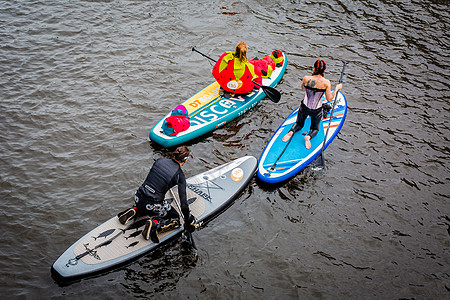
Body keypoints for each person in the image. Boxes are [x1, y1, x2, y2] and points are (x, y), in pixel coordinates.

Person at [117, 145, 196, 243]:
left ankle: (136, 209)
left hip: (138, 196)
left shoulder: (159, 161)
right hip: (152, 205)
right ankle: (155, 224)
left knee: (147, 202)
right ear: (186, 160)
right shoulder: (180, 175)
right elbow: (183, 205)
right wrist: (188, 220)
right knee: (175, 218)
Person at [282, 59, 343, 149]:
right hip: (316, 110)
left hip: (304, 106)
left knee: (299, 123)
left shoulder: (306, 78)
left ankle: (291, 131)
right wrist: (337, 89)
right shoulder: (326, 82)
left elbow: (302, 88)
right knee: (315, 128)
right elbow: (329, 98)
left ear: (314, 68)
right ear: (324, 70)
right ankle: (308, 136)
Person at [212, 42, 284, 96]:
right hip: (239, 89)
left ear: (235, 49)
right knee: (255, 78)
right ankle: (232, 91)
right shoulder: (249, 67)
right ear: (245, 53)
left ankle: (223, 88)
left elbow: (216, 70)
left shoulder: (225, 56)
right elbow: (253, 78)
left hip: (223, 83)